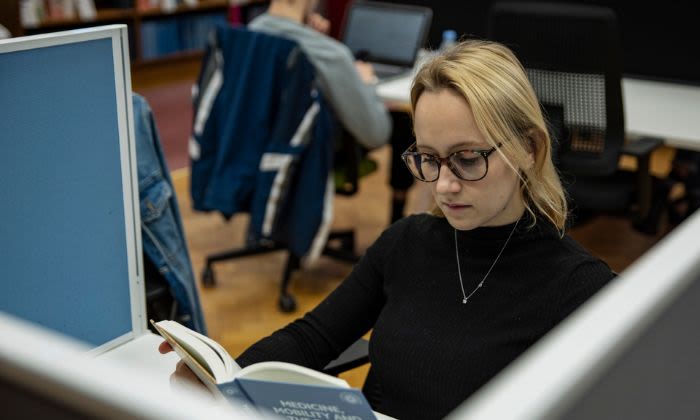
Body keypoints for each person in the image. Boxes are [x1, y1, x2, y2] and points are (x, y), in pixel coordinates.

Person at [161, 39, 615, 420]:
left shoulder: (583, 291)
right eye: (429, 159)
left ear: (529, 149)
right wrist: (222, 378)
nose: (444, 184)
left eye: (467, 158)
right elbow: (311, 337)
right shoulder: (406, 243)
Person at [247, 0, 391, 150]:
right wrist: (366, 82)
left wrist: (313, 37)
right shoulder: (331, 55)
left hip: (245, 156)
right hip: (303, 165)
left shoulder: (245, 36)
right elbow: (377, 134)